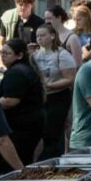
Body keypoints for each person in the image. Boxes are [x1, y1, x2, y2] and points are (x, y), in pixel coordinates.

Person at [0, 37, 46, 170]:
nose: (2, 56)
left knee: (19, 160)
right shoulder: (24, 69)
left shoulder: (16, 73)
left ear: (19, 55)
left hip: (21, 127)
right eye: (1, 52)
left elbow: (11, 101)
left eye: (7, 53)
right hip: (31, 123)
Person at [30, 24, 77, 160]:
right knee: (42, 130)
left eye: (43, 35)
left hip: (58, 96)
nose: (39, 38)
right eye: (38, 36)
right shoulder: (35, 55)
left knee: (54, 130)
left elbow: (70, 79)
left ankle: (56, 157)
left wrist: (51, 85)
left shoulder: (62, 54)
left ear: (52, 36)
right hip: (42, 97)